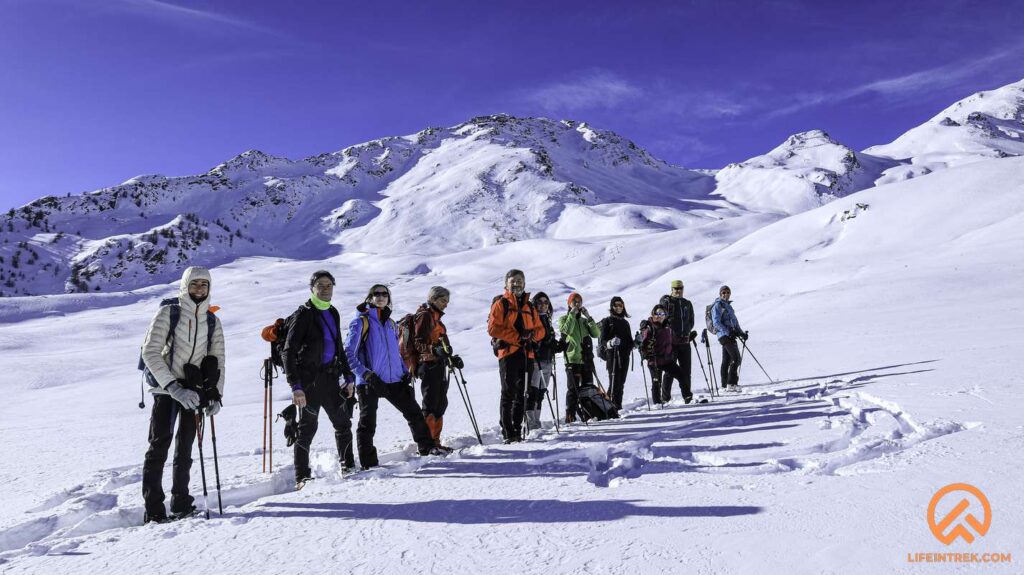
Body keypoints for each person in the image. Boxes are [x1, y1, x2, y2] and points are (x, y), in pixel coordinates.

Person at [140, 266, 225, 523]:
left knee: (186, 449)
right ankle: (154, 510)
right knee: (159, 448)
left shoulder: (212, 320)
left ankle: (181, 504)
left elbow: (218, 360)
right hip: (167, 391)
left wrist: (216, 396)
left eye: (204, 285)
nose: (199, 289)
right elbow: (150, 352)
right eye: (195, 284)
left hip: (194, 390)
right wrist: (173, 387)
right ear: (185, 285)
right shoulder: (169, 312)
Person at [346, 284, 437, 468]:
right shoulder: (361, 322)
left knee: (414, 413)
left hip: (395, 379)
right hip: (369, 381)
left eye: (384, 294)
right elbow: (348, 353)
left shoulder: (391, 323)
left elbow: (395, 352)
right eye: (376, 294)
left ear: (388, 298)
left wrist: (404, 373)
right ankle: (368, 465)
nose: (380, 297)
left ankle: (428, 450)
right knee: (367, 424)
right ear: (369, 298)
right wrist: (366, 375)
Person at [283, 270, 357, 489]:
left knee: (343, 423)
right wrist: (295, 386)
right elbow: (288, 351)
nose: (325, 289)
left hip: (331, 380)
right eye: (320, 285)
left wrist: (349, 376)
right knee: (307, 429)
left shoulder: (333, 312)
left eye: (329, 285)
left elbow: (339, 348)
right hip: (309, 383)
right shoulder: (304, 314)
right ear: (312, 288)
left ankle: (348, 467)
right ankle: (301, 477)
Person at [487, 269, 545, 442]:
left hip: (527, 354)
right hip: (508, 353)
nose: (517, 284)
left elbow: (540, 329)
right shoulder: (501, 303)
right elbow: (493, 328)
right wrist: (518, 337)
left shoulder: (529, 306)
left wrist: (532, 336)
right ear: (506, 284)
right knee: (508, 393)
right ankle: (508, 432)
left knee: (522, 394)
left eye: (520, 281)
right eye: (513, 281)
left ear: (524, 284)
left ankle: (517, 431)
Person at [413, 286, 464, 451]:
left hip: (438, 364)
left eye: (447, 301)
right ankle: (427, 445)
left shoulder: (436, 319)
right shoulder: (425, 316)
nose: (446, 305)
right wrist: (435, 351)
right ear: (433, 299)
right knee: (430, 403)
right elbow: (419, 342)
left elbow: (442, 344)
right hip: (428, 365)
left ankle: (435, 442)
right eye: (443, 300)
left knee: (440, 403)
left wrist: (451, 358)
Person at [558, 292, 601, 422]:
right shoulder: (563, 319)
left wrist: (588, 317)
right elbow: (567, 330)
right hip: (572, 359)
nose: (577, 304)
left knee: (588, 387)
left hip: (586, 359)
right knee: (573, 389)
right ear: (569, 304)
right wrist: (572, 313)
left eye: (579, 301)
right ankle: (570, 416)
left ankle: (588, 414)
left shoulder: (584, 321)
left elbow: (596, 333)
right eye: (574, 301)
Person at [646, 304, 693, 404]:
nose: (659, 316)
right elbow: (643, 343)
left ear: (665, 315)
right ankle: (657, 404)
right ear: (653, 314)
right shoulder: (649, 327)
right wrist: (646, 351)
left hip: (666, 360)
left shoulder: (668, 328)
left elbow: (675, 340)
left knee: (681, 375)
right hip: (654, 360)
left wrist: (688, 339)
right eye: (657, 313)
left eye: (662, 313)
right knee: (656, 382)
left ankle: (687, 396)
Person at [658, 280, 695, 403]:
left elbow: (691, 320)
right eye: (675, 288)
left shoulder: (687, 303)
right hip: (671, 343)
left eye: (680, 288)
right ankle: (665, 397)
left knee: (686, 371)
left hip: (685, 341)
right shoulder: (668, 301)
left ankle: (687, 396)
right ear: (671, 289)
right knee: (670, 371)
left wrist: (688, 331)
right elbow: (661, 316)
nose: (678, 291)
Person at [526, 291, 558, 429]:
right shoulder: (533, 318)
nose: (543, 305)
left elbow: (548, 340)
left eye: (546, 302)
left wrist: (557, 346)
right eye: (540, 302)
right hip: (535, 360)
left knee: (541, 392)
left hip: (547, 360)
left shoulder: (547, 319)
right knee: (532, 392)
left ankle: (536, 422)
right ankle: (530, 422)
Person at [598, 296, 632, 410]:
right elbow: (602, 340)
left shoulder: (625, 323)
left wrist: (637, 342)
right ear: (612, 307)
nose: (618, 307)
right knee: (614, 383)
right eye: (616, 305)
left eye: (620, 305)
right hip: (612, 357)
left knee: (621, 383)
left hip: (624, 357)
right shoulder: (608, 321)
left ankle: (618, 407)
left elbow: (629, 342)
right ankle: (609, 408)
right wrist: (610, 343)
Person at [711, 285, 746, 391]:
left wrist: (741, 333)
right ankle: (731, 383)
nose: (726, 294)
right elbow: (716, 322)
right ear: (720, 294)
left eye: (727, 292)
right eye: (723, 293)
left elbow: (734, 322)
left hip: (730, 335)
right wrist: (728, 331)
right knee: (736, 358)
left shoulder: (728, 306)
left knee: (726, 360)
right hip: (724, 335)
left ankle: (724, 384)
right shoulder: (718, 306)